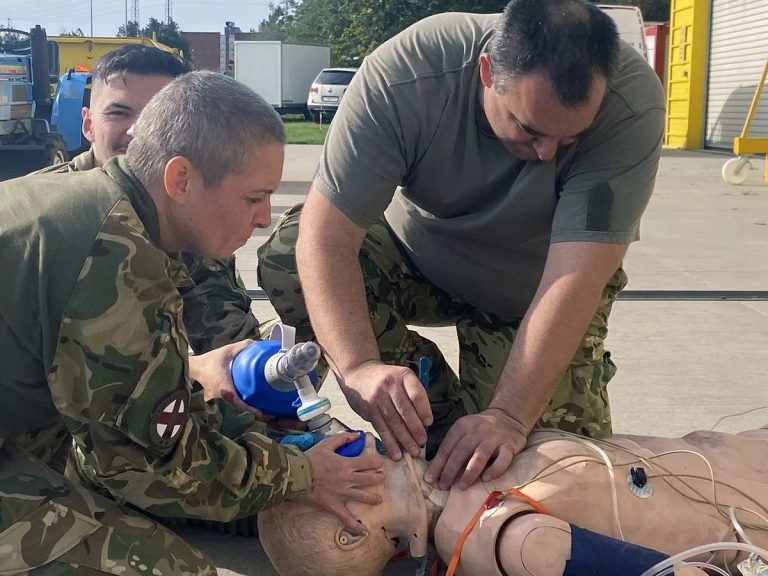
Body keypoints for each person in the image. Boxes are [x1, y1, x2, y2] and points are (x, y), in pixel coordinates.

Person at [257, 0, 666, 493]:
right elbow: (325, 240)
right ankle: (432, 405)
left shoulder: (631, 103)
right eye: (530, 129)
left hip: (532, 292)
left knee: (554, 480)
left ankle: (470, 419)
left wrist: (510, 418)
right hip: (417, 260)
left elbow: (575, 279)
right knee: (286, 254)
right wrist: (360, 367)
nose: (546, 154)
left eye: (570, 139)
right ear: (488, 71)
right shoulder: (408, 76)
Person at [0, 71, 383, 574]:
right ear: (181, 180)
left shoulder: (97, 208)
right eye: (253, 198)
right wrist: (303, 473)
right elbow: (156, 465)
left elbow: (133, 404)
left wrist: (241, 429)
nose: (266, 218)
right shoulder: (113, 254)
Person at [258, 428, 768, 576]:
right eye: (329, 465)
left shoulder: (463, 480)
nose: (350, 437)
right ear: (352, 529)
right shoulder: (493, 534)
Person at [36, 43, 263, 356]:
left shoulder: (189, 214)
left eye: (157, 116)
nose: (136, 131)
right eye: (119, 113)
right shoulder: (45, 213)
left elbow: (227, 334)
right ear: (88, 124)